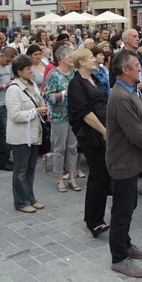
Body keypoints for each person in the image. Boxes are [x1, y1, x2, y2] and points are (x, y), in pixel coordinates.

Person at [106, 49, 142, 278]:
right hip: (123, 163)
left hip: (131, 161)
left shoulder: (129, 91)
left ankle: (126, 244)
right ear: (124, 70)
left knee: (129, 207)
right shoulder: (120, 96)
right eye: (136, 65)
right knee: (122, 211)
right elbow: (135, 133)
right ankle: (119, 258)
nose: (140, 68)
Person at [67, 48, 111, 238]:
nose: (95, 60)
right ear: (81, 62)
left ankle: (95, 217)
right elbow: (84, 112)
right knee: (98, 173)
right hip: (91, 134)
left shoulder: (96, 78)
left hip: (104, 130)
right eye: (91, 57)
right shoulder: (76, 83)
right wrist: (104, 131)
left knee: (101, 175)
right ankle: (94, 220)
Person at [5, 54, 47, 213]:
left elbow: (38, 102)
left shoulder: (32, 85)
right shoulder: (13, 89)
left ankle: (30, 198)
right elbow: (15, 115)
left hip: (34, 134)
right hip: (21, 136)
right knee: (21, 170)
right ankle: (21, 201)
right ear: (19, 71)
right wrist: (35, 111)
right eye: (28, 69)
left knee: (30, 168)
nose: (32, 71)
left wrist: (41, 109)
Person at [44, 45, 80, 192]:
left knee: (73, 147)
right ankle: (59, 178)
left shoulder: (74, 73)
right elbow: (49, 96)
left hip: (74, 115)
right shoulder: (53, 74)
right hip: (59, 116)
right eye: (71, 57)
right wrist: (65, 93)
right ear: (62, 58)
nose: (73, 60)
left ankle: (72, 177)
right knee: (60, 148)